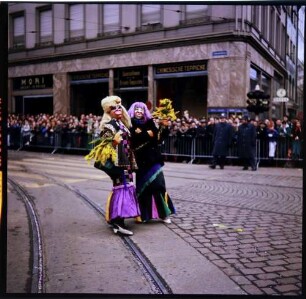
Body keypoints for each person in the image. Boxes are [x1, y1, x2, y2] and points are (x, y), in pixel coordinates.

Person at [85, 95, 140, 236]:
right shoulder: (109, 126)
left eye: (119, 107)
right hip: (118, 164)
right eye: (114, 108)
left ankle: (117, 220)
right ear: (108, 111)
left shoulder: (122, 124)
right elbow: (104, 146)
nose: (118, 110)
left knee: (126, 187)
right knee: (121, 188)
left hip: (126, 162)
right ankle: (118, 222)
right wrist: (114, 142)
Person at [128, 101, 175, 224]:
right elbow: (133, 138)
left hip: (154, 159)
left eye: (141, 109)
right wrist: (146, 134)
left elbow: (157, 139)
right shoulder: (129, 123)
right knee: (143, 188)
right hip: (140, 160)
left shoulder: (149, 122)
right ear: (133, 111)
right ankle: (144, 215)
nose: (139, 112)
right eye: (137, 109)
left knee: (159, 185)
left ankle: (164, 214)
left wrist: (163, 127)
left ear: (145, 111)